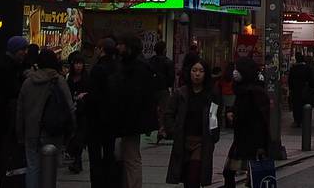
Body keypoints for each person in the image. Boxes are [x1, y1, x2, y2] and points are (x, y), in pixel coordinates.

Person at [17, 49, 76, 188]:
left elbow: (20, 110)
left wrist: (19, 133)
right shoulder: (59, 80)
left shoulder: (28, 82)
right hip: (53, 131)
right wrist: (71, 130)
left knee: (32, 167)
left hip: (31, 131)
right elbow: (69, 107)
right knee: (50, 169)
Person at [165, 56, 217, 188]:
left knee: (194, 173)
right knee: (186, 176)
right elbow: (169, 113)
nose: (197, 74)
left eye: (201, 71)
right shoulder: (180, 93)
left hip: (201, 141)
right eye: (194, 70)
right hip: (183, 140)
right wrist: (172, 130)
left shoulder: (211, 94)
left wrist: (213, 136)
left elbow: (214, 117)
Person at [115, 34, 158, 188]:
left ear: (129, 47)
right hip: (131, 120)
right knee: (127, 156)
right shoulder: (135, 65)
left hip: (131, 120)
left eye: (121, 44)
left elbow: (135, 96)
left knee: (131, 157)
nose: (118, 47)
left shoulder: (136, 67)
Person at [222, 57, 270, 188]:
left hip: (252, 141)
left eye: (238, 69)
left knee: (249, 175)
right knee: (230, 172)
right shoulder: (242, 90)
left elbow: (259, 119)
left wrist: (261, 146)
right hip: (242, 138)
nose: (235, 72)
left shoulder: (254, 92)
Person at [0, 34, 32, 175]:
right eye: (22, 49)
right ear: (14, 50)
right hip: (4, 119)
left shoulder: (14, 66)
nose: (25, 53)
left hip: (5, 119)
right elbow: (12, 91)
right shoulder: (6, 68)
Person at [86, 39, 121, 188]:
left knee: (94, 155)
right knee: (109, 152)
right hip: (112, 118)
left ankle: (97, 183)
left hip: (96, 119)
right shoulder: (118, 68)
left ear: (101, 49)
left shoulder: (97, 69)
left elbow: (93, 95)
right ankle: (109, 182)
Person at [66, 52, 91, 174]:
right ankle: (76, 160)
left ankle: (77, 160)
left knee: (80, 136)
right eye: (76, 63)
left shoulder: (87, 78)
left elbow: (92, 92)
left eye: (80, 63)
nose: (78, 66)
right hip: (71, 111)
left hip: (83, 112)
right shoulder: (68, 78)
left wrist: (85, 95)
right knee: (73, 136)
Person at [287, 52, 314, 129]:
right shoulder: (308, 68)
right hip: (305, 90)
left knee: (296, 106)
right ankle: (305, 119)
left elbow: (290, 81)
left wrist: (290, 89)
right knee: (305, 105)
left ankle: (297, 120)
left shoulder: (293, 69)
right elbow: (312, 80)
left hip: (295, 91)